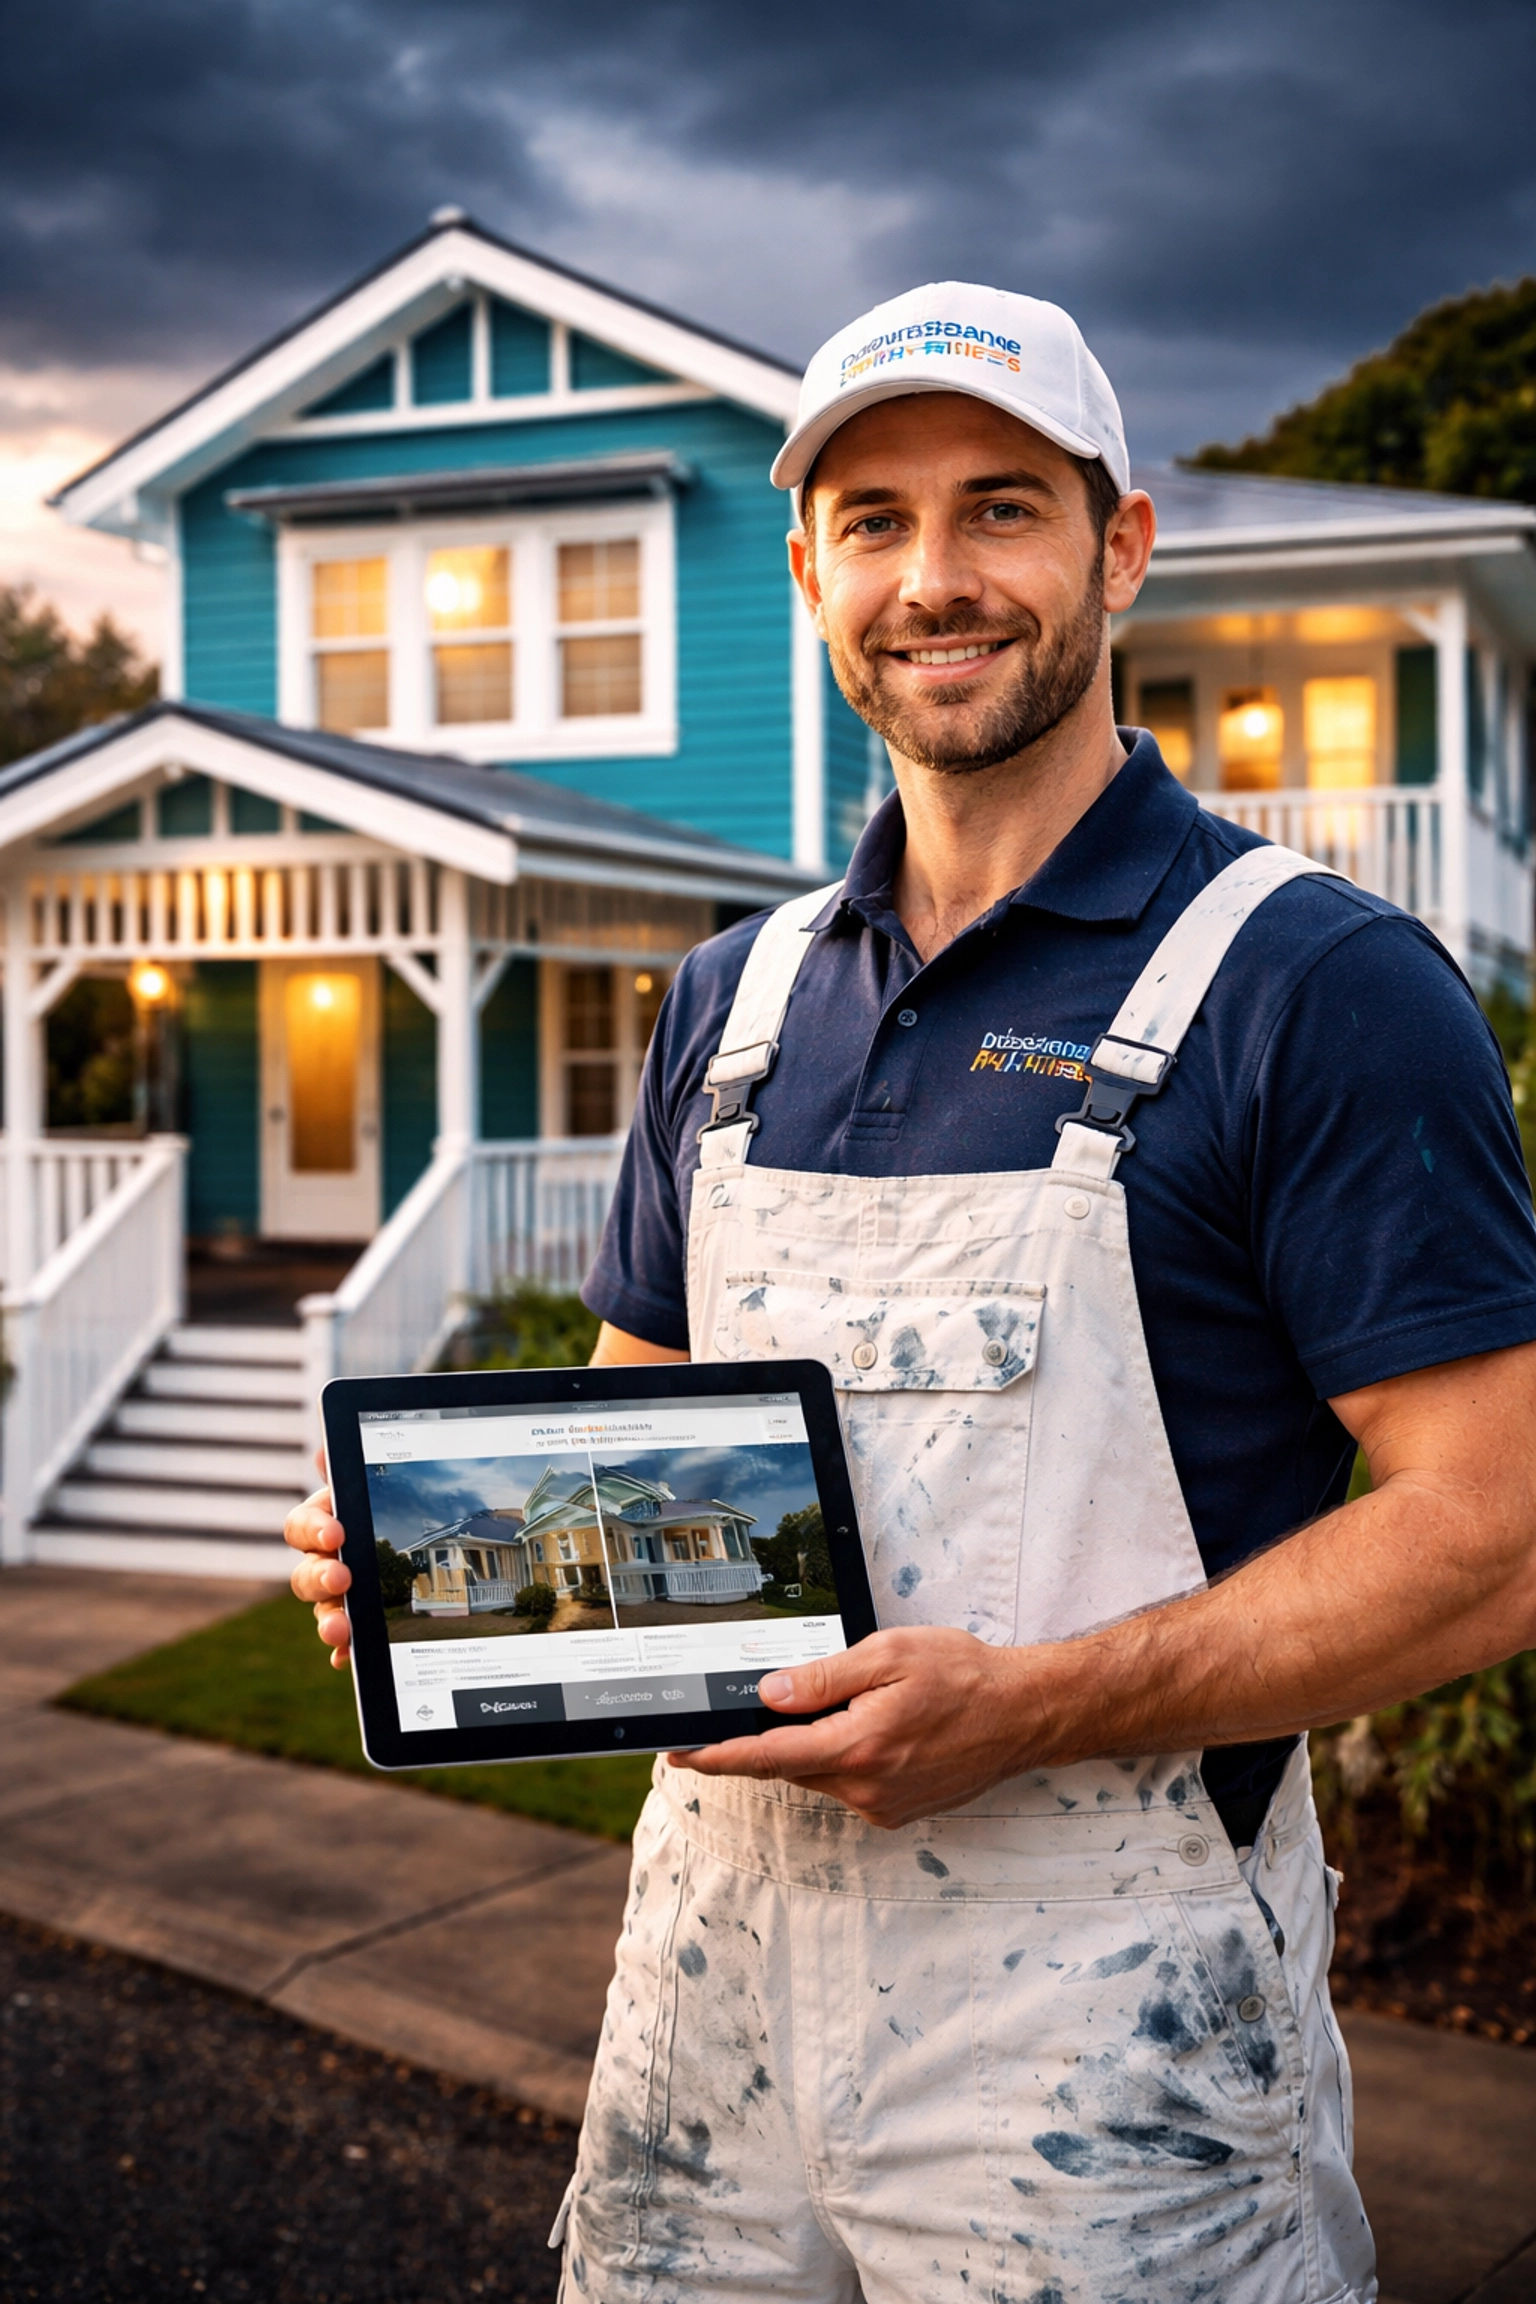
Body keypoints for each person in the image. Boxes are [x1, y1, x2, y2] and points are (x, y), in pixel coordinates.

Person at [286, 281, 1536, 2303]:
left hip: (1106, 2047)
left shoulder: (1313, 985)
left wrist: (1027, 1709)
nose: (933, 579)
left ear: (1118, 546)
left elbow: (1495, 1537)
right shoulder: (731, 1003)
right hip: (712, 1992)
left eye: (1000, 511)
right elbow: (632, 1447)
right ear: (805, 570)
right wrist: (451, 1573)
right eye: (872, 521)